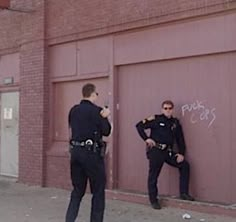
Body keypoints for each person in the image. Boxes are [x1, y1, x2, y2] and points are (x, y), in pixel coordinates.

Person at [136, 100, 194, 210]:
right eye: (165, 108)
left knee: (184, 165)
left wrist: (181, 153)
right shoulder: (156, 119)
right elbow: (139, 126)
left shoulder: (175, 123)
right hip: (156, 151)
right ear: (162, 109)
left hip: (168, 151)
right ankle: (153, 200)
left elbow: (180, 139)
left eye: (170, 108)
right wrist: (146, 139)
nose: (168, 110)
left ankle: (184, 193)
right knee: (154, 175)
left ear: (172, 110)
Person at [66, 83, 111, 222]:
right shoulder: (97, 111)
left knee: (77, 191)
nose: (97, 96)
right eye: (97, 94)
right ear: (92, 94)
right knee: (98, 192)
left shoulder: (73, 110)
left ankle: (69, 220)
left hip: (76, 153)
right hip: (91, 155)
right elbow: (106, 131)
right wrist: (105, 116)